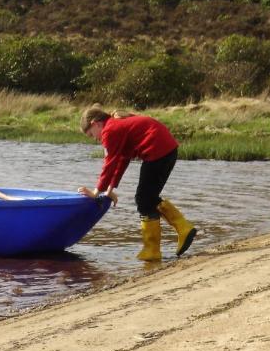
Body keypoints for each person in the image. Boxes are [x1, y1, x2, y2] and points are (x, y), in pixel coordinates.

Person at [78, 104, 196, 261]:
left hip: (157, 151)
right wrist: (108, 190)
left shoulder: (109, 130)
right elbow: (121, 161)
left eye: (92, 135)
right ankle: (177, 232)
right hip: (167, 150)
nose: (96, 139)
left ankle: (157, 246)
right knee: (147, 198)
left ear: (95, 124)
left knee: (143, 199)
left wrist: (95, 192)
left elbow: (109, 164)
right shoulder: (116, 125)